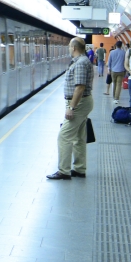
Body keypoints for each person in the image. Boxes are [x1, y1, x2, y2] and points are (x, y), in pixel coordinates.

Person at [47, 38, 94, 180]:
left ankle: (63, 171)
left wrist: (71, 107)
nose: (68, 48)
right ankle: (80, 169)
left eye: (69, 46)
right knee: (79, 137)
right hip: (82, 102)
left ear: (74, 47)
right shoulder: (82, 61)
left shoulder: (80, 63)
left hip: (79, 104)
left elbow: (80, 87)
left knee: (64, 136)